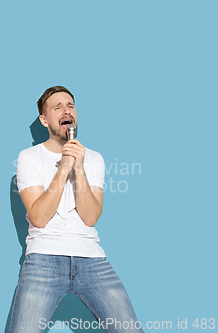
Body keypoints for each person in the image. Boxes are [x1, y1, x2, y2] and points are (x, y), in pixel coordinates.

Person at [9, 86, 144, 333]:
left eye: (70, 105)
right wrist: (64, 167)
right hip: (43, 259)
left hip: (91, 259)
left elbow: (90, 217)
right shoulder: (29, 157)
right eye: (57, 107)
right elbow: (39, 217)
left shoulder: (93, 159)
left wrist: (79, 168)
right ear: (44, 119)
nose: (66, 110)